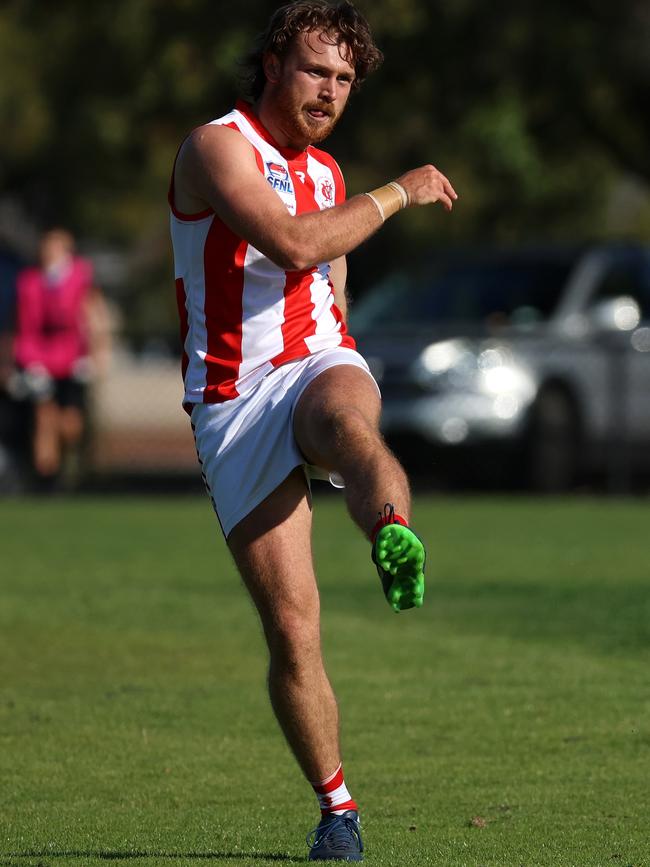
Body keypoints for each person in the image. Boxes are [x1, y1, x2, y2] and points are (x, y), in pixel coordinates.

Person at [169, 1, 457, 859]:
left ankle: (391, 529)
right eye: (315, 71)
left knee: (348, 421)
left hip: (314, 365)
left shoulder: (330, 173)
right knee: (294, 628)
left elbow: (327, 275)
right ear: (271, 64)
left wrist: (337, 332)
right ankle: (338, 811)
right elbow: (296, 244)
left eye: (344, 79)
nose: (330, 91)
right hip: (228, 401)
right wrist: (401, 190)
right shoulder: (216, 146)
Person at [13, 228, 110, 484]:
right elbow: (26, 326)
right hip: (41, 359)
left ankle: (66, 465)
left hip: (72, 359)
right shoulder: (30, 282)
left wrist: (96, 353)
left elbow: (93, 315)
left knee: (70, 425)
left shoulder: (80, 277)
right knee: (44, 418)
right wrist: (28, 361)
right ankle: (45, 480)